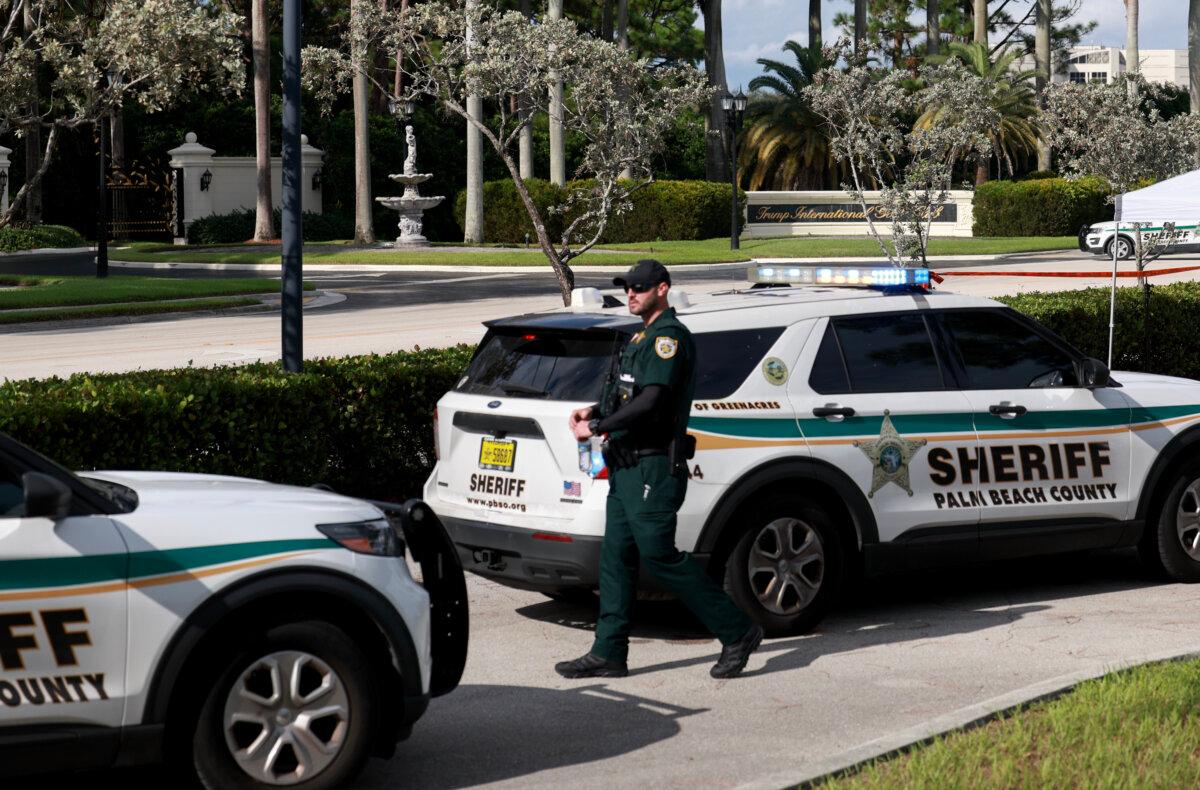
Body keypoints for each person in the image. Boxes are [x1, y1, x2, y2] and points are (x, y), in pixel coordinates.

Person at [555, 259, 764, 680]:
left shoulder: (668, 339)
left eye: (640, 287)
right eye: (628, 287)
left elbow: (652, 402)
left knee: (660, 556)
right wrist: (596, 410)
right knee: (615, 559)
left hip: (653, 466)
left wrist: (596, 427)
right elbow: (629, 396)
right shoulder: (642, 336)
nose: (631, 293)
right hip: (626, 466)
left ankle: (738, 630)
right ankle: (609, 652)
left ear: (662, 289)